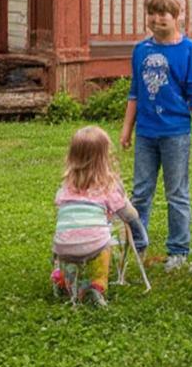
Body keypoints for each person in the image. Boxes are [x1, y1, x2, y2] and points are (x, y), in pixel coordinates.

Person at [120, 0, 192, 271]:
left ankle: (179, 251)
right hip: (146, 133)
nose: (157, 19)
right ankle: (138, 245)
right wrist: (127, 129)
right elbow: (135, 91)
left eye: (164, 14)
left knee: (177, 193)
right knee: (141, 192)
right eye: (152, 13)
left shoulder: (188, 50)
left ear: (178, 15)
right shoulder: (140, 51)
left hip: (176, 134)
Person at [51, 126, 147, 306]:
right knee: (104, 246)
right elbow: (128, 213)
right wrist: (138, 228)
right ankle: (97, 286)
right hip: (94, 245)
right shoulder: (107, 187)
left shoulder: (66, 187)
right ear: (104, 158)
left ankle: (61, 280)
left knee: (67, 247)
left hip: (62, 245)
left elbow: (60, 207)